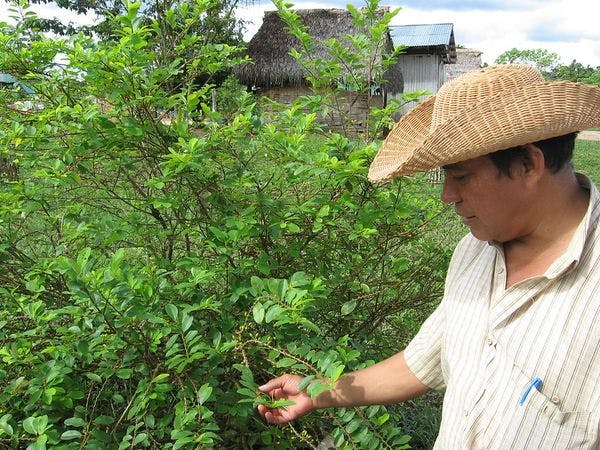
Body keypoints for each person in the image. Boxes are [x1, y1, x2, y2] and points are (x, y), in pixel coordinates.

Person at [257, 65, 600, 449]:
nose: (447, 196)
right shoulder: (475, 250)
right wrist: (320, 391)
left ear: (529, 164)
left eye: (462, 176)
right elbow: (424, 360)